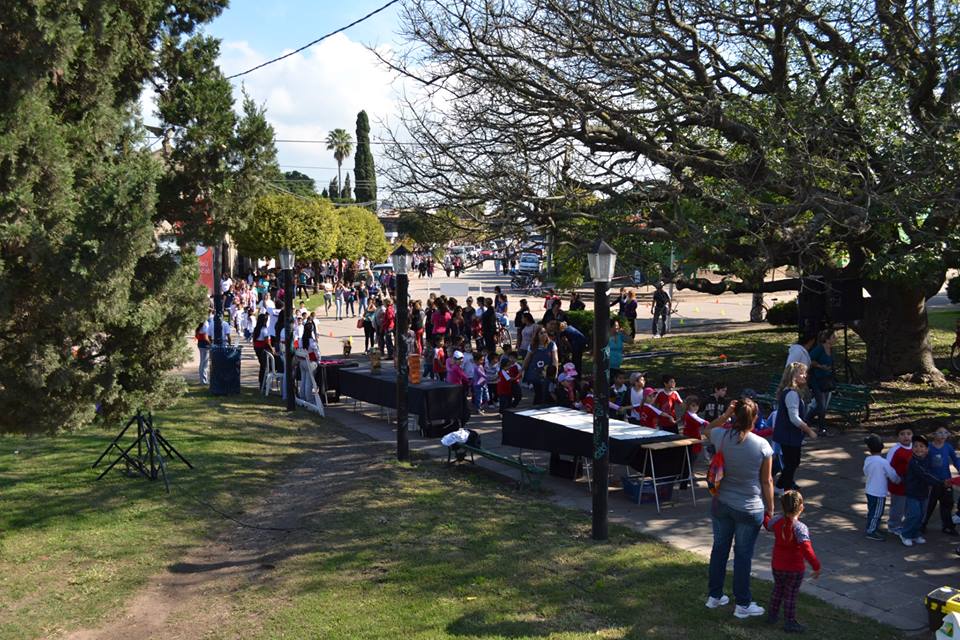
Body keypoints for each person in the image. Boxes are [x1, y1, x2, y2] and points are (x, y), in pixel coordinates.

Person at [704, 398, 775, 619]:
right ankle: (742, 603)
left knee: (719, 549)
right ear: (755, 418)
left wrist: (725, 414)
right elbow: (767, 482)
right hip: (749, 506)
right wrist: (770, 509)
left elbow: (706, 429)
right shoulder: (762, 446)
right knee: (743, 556)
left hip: (722, 502)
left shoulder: (721, 436)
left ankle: (715, 596)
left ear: (735, 415)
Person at [764, 490, 821, 633]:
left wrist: (766, 513)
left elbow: (767, 525)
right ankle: (790, 621)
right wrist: (816, 566)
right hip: (794, 569)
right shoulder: (800, 528)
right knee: (790, 594)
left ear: (782, 506)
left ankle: (772, 615)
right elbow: (807, 550)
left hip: (777, 565)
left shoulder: (777, 521)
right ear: (801, 507)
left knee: (778, 589)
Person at [772, 362, 818, 492]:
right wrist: (809, 430)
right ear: (793, 376)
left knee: (792, 462)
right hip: (789, 435)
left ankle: (782, 485)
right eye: (801, 373)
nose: (805, 375)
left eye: (805, 373)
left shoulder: (791, 392)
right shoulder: (792, 394)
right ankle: (785, 489)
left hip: (789, 434)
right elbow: (794, 418)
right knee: (791, 463)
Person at [901, 434, 951, 546]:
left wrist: (944, 480)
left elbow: (933, 471)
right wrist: (941, 483)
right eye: (915, 446)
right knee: (913, 514)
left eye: (922, 446)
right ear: (912, 448)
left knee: (921, 515)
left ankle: (916, 534)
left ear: (927, 449)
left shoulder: (927, 459)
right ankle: (906, 534)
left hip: (923, 493)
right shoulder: (914, 462)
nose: (918, 449)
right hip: (912, 493)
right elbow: (925, 474)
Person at [923, 422, 960, 536]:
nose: (943, 435)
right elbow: (924, 462)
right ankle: (922, 524)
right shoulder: (928, 447)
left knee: (947, 505)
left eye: (945, 432)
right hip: (932, 482)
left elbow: (955, 459)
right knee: (929, 504)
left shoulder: (948, 447)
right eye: (940, 432)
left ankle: (947, 526)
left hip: (946, 481)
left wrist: (959, 468)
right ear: (933, 434)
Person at [863, 434, 901, 541]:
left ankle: (871, 526)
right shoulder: (883, 462)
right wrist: (898, 480)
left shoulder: (868, 460)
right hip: (879, 492)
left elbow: (865, 471)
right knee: (877, 513)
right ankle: (871, 531)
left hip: (869, 490)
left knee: (872, 510)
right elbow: (892, 475)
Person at [885, 426, 914, 535]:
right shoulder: (895, 450)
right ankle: (893, 526)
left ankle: (907, 525)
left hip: (912, 485)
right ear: (897, 437)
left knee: (910, 507)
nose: (906, 436)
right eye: (902, 434)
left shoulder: (915, 448)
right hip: (898, 485)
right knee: (897, 507)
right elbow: (888, 467)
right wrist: (896, 479)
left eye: (908, 433)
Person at [807, 329, 836, 435]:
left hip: (826, 380)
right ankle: (822, 428)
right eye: (833, 337)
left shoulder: (831, 349)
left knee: (822, 406)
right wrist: (820, 366)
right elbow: (809, 360)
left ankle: (806, 420)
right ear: (827, 339)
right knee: (821, 404)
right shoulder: (820, 349)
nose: (835, 339)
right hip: (816, 380)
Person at [522, 328, 558, 405]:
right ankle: (535, 409)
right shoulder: (532, 346)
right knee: (538, 393)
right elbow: (527, 359)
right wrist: (522, 370)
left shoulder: (552, 344)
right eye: (541, 333)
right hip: (535, 373)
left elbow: (555, 359)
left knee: (547, 392)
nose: (544, 334)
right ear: (537, 335)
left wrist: (555, 373)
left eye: (545, 332)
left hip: (547, 373)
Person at [195, 316, 211, 384]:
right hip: (205, 344)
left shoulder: (199, 324)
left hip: (200, 343)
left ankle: (202, 379)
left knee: (202, 362)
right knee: (205, 363)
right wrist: (210, 343)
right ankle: (203, 380)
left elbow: (196, 335)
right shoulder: (206, 323)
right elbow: (205, 336)